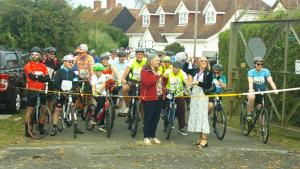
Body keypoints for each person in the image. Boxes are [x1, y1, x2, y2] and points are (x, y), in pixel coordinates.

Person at [51, 54, 84, 136]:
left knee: (73, 107)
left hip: (70, 93)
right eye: (69, 62)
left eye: (73, 62)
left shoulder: (73, 73)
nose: (71, 63)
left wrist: (74, 88)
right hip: (61, 93)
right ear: (64, 62)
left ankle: (75, 126)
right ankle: (54, 127)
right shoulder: (59, 72)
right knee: (57, 110)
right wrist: (61, 91)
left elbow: (76, 82)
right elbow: (56, 83)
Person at [24, 47, 50, 137]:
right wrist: (41, 77)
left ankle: (41, 127)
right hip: (31, 90)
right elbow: (31, 76)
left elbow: (48, 78)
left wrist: (37, 77)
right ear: (30, 56)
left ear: (39, 56)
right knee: (30, 110)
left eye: (37, 54)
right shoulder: (28, 65)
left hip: (42, 90)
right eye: (33, 54)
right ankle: (27, 130)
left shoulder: (43, 66)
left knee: (43, 109)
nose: (35, 56)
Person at [188, 56, 213, 148]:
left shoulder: (209, 72)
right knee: (197, 115)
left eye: (205, 61)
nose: (204, 62)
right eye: (202, 61)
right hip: (195, 96)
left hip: (202, 95)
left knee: (203, 116)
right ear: (198, 62)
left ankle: (204, 139)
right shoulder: (195, 70)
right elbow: (187, 71)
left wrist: (198, 83)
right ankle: (200, 137)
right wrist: (188, 62)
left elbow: (208, 85)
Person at [140, 53, 162, 145]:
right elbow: (147, 82)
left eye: (158, 60)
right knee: (148, 118)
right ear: (151, 61)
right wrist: (157, 76)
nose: (158, 61)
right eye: (157, 60)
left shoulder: (158, 70)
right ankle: (146, 137)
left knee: (156, 118)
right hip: (149, 97)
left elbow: (161, 82)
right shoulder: (145, 70)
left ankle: (153, 136)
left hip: (159, 96)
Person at [163, 61, 189, 135]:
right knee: (165, 101)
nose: (176, 70)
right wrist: (165, 76)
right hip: (169, 91)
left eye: (178, 69)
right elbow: (165, 75)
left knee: (182, 108)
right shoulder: (169, 71)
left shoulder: (182, 73)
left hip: (179, 93)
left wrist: (188, 89)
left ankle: (181, 126)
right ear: (173, 67)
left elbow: (186, 81)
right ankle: (165, 113)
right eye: (175, 68)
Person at [121, 48, 147, 120]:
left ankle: (144, 122)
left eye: (141, 54)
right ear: (136, 55)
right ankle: (128, 105)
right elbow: (126, 72)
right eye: (138, 54)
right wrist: (123, 78)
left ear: (143, 55)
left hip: (143, 82)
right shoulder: (132, 61)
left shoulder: (146, 61)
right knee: (124, 88)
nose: (139, 55)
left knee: (141, 104)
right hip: (133, 81)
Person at [90, 63, 107, 129]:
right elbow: (93, 86)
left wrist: (99, 90)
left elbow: (103, 84)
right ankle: (94, 117)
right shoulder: (93, 77)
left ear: (101, 71)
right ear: (94, 71)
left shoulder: (103, 76)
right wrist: (95, 92)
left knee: (105, 107)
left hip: (103, 93)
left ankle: (102, 122)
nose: (97, 72)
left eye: (99, 71)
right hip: (96, 94)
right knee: (101, 103)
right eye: (96, 71)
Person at [112, 50, 129, 115]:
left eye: (124, 57)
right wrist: (113, 80)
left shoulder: (127, 64)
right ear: (118, 57)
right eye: (121, 57)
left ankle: (120, 111)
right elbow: (113, 73)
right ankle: (113, 106)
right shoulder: (114, 63)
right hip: (116, 82)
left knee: (121, 97)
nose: (123, 58)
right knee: (114, 95)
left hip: (123, 82)